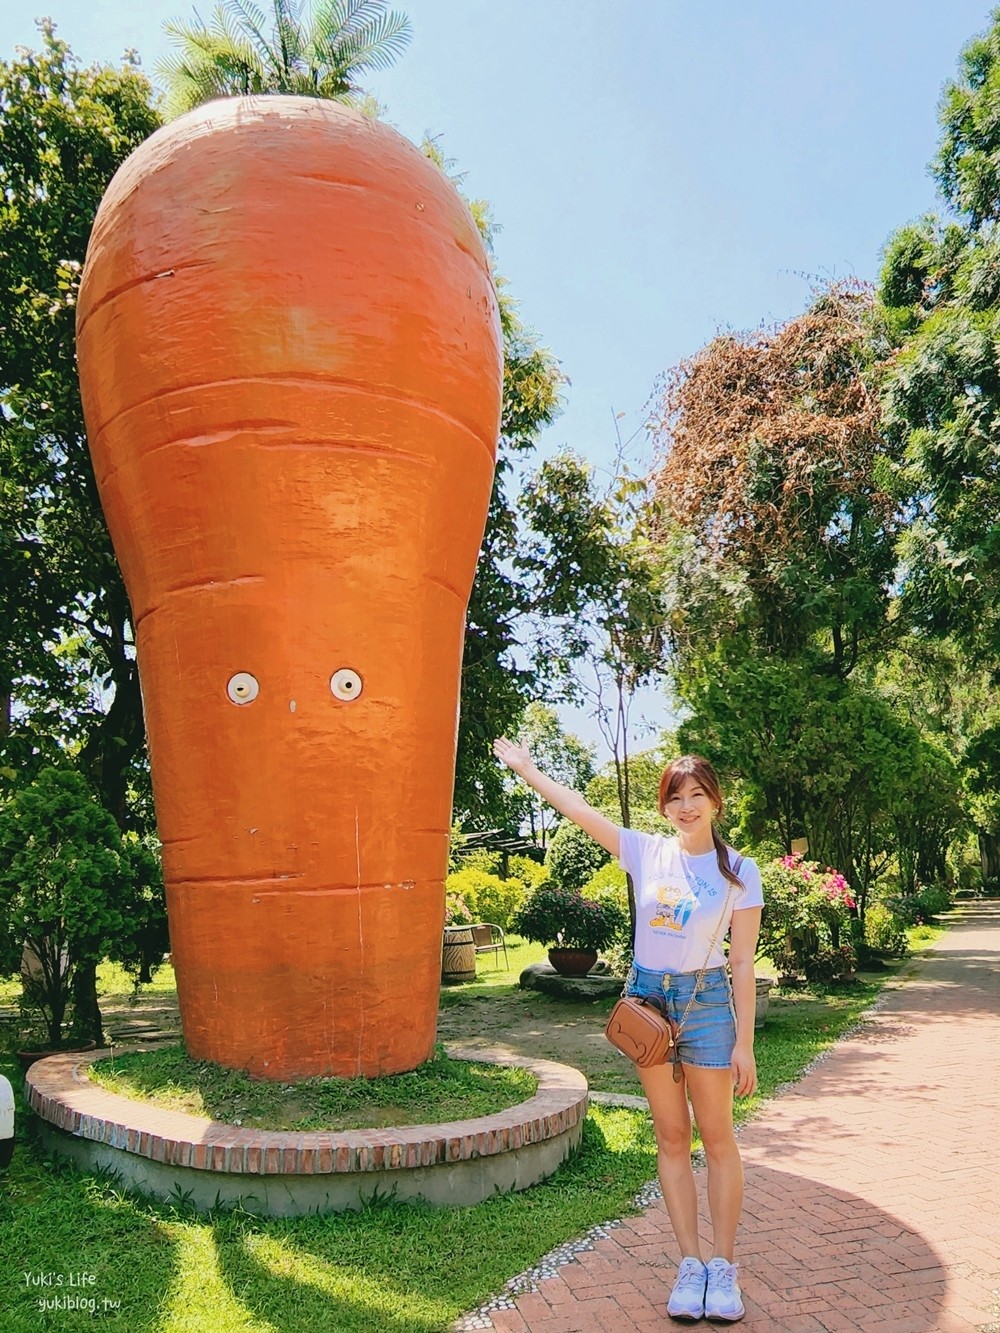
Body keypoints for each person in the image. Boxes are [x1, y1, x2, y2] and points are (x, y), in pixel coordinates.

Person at [492, 737, 763, 1324]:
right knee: (671, 1137)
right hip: (647, 1004)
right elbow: (578, 811)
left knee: (717, 1138)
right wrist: (529, 770)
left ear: (715, 801)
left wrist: (744, 1042)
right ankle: (689, 1264)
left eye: (697, 795)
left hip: (708, 1003)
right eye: (676, 797)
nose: (687, 806)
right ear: (663, 806)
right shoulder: (645, 852)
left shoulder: (741, 871)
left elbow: (741, 962)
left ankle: (724, 1266)